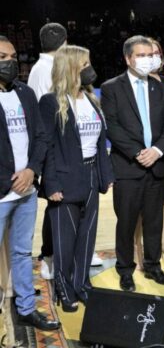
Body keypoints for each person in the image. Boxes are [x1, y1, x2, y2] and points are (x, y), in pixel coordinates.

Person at [39, 45, 114, 311]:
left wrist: (106, 176)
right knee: (64, 240)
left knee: (87, 236)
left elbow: (101, 141)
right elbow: (47, 146)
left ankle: (82, 283)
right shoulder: (50, 102)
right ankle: (63, 286)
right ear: (69, 68)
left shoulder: (93, 100)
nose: (89, 69)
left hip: (92, 174)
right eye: (84, 65)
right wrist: (51, 184)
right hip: (64, 178)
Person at [101, 35, 164, 292]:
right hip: (128, 167)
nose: (148, 60)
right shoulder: (112, 87)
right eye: (141, 55)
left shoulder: (161, 87)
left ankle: (153, 266)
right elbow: (112, 127)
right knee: (126, 222)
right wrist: (138, 152)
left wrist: (156, 150)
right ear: (128, 58)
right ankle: (125, 270)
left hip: (157, 164)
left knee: (154, 220)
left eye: (150, 55)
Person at [0, 35, 60, 330]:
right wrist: (10, 180)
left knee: (23, 251)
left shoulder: (24, 93)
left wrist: (31, 171)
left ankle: (25, 308)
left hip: (26, 189)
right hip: (3, 191)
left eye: (12, 57)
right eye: (2, 57)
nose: (9, 62)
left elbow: (41, 137)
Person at [134, 37, 164, 267]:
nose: (152, 58)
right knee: (140, 203)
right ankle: (139, 250)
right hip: (141, 153)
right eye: (147, 53)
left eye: (155, 53)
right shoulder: (132, 84)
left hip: (163, 151)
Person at [27, 22, 70, 280]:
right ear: (65, 42)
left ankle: (65, 250)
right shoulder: (44, 69)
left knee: (67, 201)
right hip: (53, 145)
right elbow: (47, 115)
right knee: (55, 203)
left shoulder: (46, 67)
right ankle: (48, 255)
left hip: (60, 144)